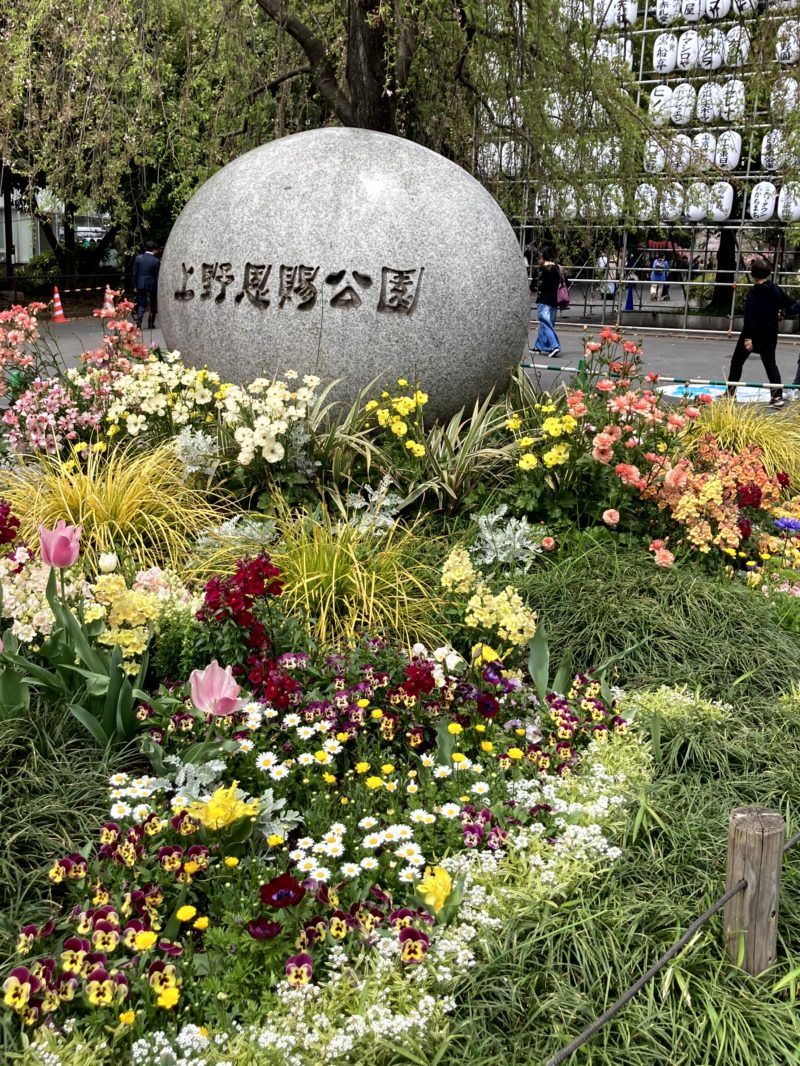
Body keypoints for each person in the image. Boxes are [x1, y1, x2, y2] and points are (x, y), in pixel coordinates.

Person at [727, 256, 800, 410]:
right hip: (770, 333)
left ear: (753, 273)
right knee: (770, 364)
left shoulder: (754, 292)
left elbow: (750, 316)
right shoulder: (774, 288)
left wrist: (747, 337)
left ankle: (730, 393)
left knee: (737, 361)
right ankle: (777, 396)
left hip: (753, 333)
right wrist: (782, 313)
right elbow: (790, 302)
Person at [532, 247, 565, 356]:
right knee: (545, 324)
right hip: (554, 301)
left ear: (542, 256)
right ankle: (538, 346)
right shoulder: (558, 269)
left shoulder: (540, 270)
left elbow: (533, 287)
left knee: (545, 323)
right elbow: (565, 283)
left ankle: (554, 346)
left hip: (543, 300)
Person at [132, 240, 161, 329]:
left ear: (145, 248)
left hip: (140, 283)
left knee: (141, 303)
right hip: (152, 284)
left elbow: (135, 273)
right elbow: (158, 275)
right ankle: (151, 323)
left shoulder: (138, 258)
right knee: (153, 303)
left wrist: (135, 285)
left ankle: (139, 321)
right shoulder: (156, 261)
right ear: (154, 249)